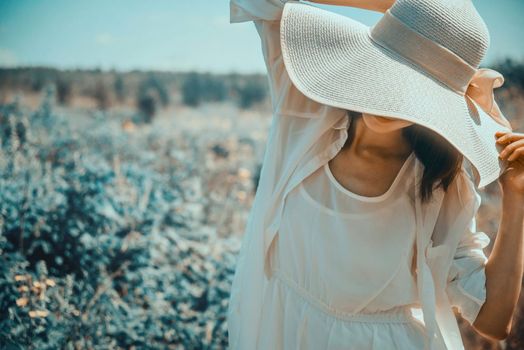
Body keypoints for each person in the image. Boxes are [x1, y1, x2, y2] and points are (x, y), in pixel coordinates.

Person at [227, 0, 524, 349]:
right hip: (283, 332)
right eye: (384, 70)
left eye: (412, 90)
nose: (389, 96)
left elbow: (493, 320)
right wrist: (404, 8)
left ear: (438, 106)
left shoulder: (440, 183)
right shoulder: (303, 103)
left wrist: (517, 197)